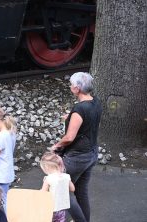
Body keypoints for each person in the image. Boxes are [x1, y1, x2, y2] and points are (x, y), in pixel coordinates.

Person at [50, 72, 101, 222]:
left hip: (77, 158)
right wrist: (71, 117)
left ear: (77, 88)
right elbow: (88, 120)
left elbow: (69, 138)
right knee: (81, 192)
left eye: (72, 85)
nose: (71, 86)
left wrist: (55, 146)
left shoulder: (80, 109)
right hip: (91, 154)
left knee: (63, 192)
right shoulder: (95, 102)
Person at [40, 151, 74, 222]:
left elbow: (43, 193)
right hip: (62, 207)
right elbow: (72, 189)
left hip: (51, 207)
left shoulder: (48, 179)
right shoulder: (66, 176)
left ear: (47, 167)